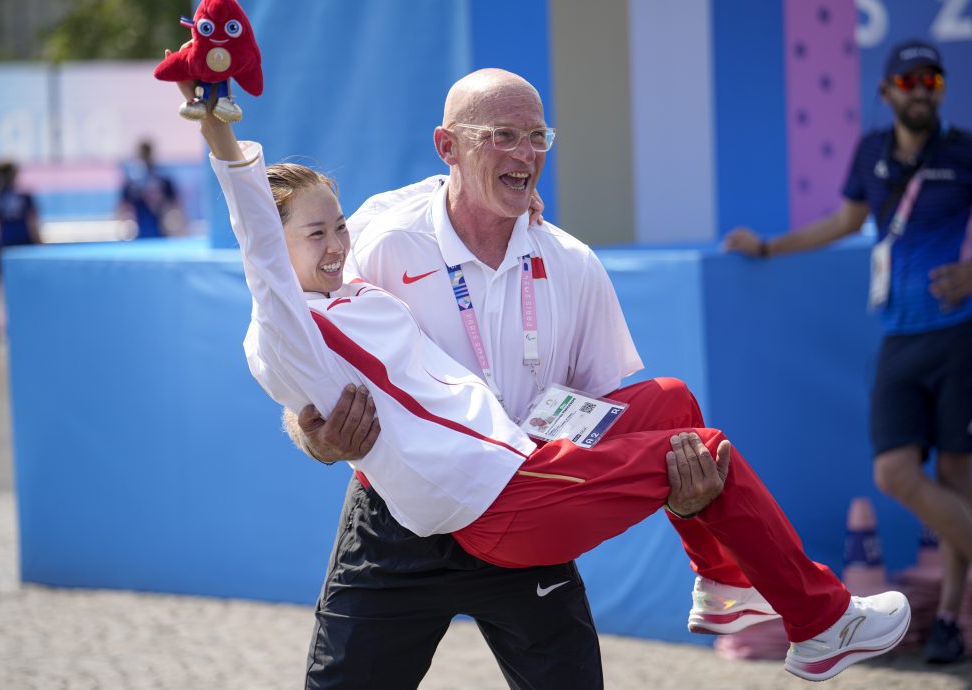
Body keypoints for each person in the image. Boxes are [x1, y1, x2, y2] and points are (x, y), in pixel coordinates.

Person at [192, 77, 911, 683]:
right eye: (500, 137)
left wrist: (689, 502)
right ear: (448, 148)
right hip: (406, 521)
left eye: (536, 137)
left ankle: (724, 586)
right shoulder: (371, 247)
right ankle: (818, 620)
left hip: (523, 474)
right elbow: (279, 292)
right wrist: (315, 433)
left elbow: (604, 407)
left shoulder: (567, 260)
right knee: (700, 443)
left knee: (674, 409)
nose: (525, 154)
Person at [724, 39, 972, 664]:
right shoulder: (871, 153)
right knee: (893, 473)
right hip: (900, 338)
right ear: (887, 93)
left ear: (941, 89)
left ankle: (951, 619)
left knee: (956, 478)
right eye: (908, 80)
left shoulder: (969, 152)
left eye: (931, 78)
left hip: (959, 335)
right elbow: (845, 223)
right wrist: (767, 248)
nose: (920, 88)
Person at [0, 160, 40, 272]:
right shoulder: (24, 196)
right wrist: (39, 243)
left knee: (7, 281)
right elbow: (32, 222)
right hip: (25, 242)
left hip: (5, 244)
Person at [117, 140, 182, 239]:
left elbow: (176, 208)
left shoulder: (162, 181)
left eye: (146, 154)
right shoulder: (132, 184)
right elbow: (122, 209)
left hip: (161, 233)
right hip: (139, 235)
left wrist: (175, 228)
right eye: (142, 154)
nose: (145, 158)